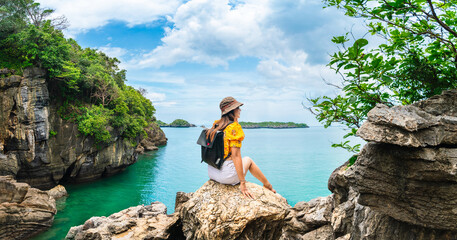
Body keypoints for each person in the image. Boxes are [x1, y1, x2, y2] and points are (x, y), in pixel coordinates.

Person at [207, 96, 276, 199]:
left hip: (212, 172)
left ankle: (267, 185)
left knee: (242, 160)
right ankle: (268, 185)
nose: (240, 110)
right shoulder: (234, 128)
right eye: (237, 108)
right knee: (248, 160)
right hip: (226, 176)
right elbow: (235, 156)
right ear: (231, 110)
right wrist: (242, 183)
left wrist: (235, 121)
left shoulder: (217, 124)